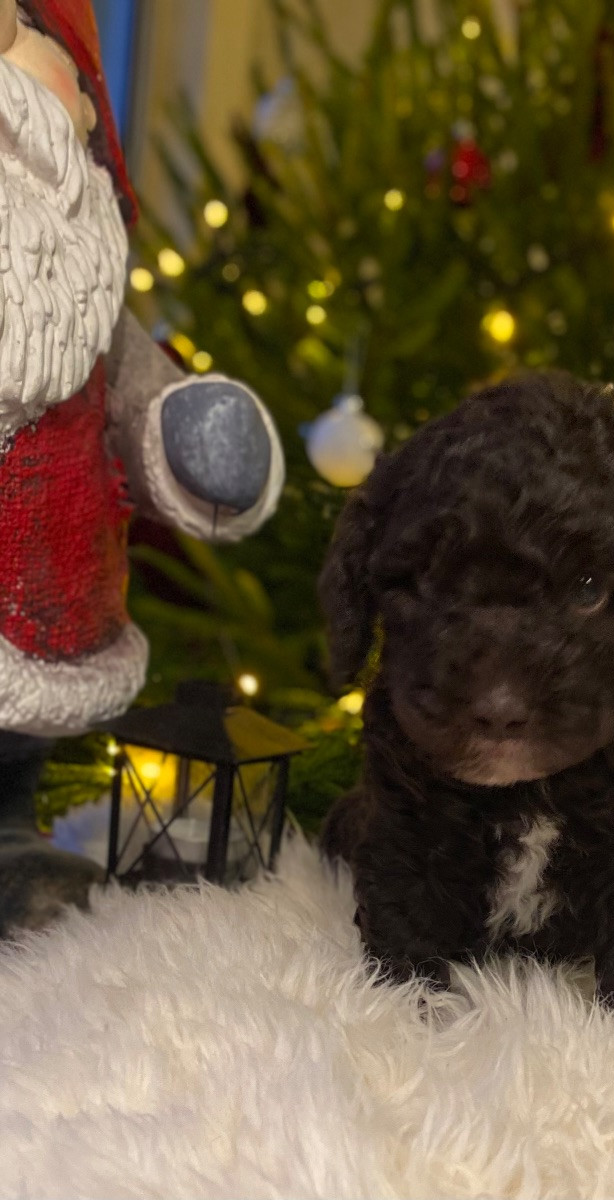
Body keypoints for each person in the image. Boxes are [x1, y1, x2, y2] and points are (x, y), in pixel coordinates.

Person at [0, 0, 286, 934]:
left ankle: (7, 846)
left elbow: (128, 381)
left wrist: (187, 434)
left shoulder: (73, 296)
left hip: (41, 587)